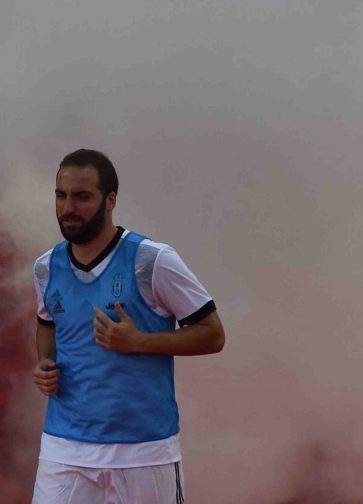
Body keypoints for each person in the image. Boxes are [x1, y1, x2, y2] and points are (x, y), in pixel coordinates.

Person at [31, 149, 225, 504]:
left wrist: (140, 341)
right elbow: (47, 324)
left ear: (110, 200)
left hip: (145, 452)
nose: (68, 207)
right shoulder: (46, 267)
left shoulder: (152, 259)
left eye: (82, 196)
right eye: (61, 195)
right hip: (64, 449)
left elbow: (213, 334)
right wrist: (46, 362)